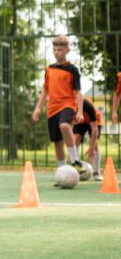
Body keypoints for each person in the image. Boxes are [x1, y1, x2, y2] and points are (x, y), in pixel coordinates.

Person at [32, 34, 84, 173]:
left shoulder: (72, 70)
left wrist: (79, 111)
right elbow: (45, 90)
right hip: (52, 109)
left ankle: (75, 160)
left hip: (67, 104)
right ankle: (62, 171)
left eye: (59, 50)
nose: (56, 52)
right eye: (54, 49)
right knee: (57, 142)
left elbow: (78, 92)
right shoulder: (49, 69)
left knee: (65, 125)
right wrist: (38, 108)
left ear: (67, 50)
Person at [73, 97, 102, 180]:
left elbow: (94, 129)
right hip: (80, 121)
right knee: (75, 140)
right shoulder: (68, 107)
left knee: (94, 143)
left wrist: (91, 148)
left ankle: (96, 172)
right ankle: (76, 169)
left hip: (94, 121)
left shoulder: (87, 105)